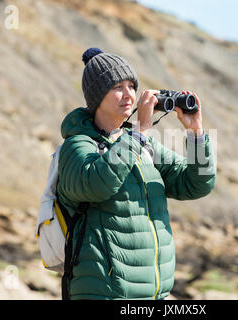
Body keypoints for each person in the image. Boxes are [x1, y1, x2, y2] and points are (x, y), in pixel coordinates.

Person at [56, 47, 216, 300]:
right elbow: (97, 184)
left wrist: (196, 133)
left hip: (153, 296)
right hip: (104, 294)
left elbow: (195, 185)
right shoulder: (78, 145)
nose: (128, 94)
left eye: (131, 86)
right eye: (117, 87)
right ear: (96, 96)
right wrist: (140, 131)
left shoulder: (143, 146)